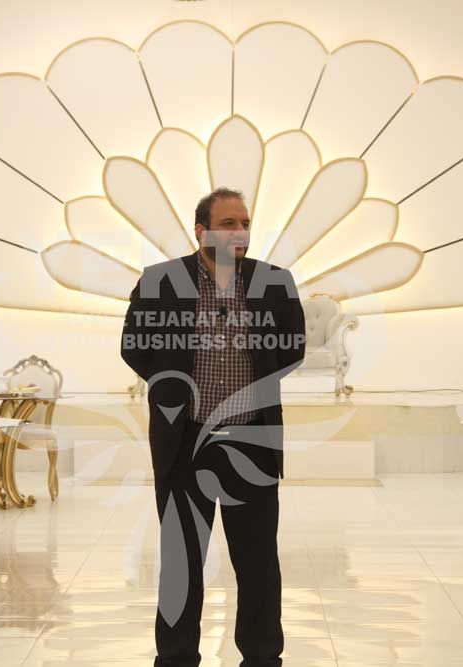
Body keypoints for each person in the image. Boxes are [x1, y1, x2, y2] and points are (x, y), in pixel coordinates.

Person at [121, 187, 306, 667]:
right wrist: (171, 388)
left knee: (258, 563)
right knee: (181, 563)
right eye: (228, 224)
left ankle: (262, 658)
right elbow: (134, 347)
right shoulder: (160, 282)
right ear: (201, 231)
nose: (239, 232)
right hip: (185, 441)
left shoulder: (275, 283)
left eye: (244, 223)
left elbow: (292, 349)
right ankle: (176, 658)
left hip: (252, 441)